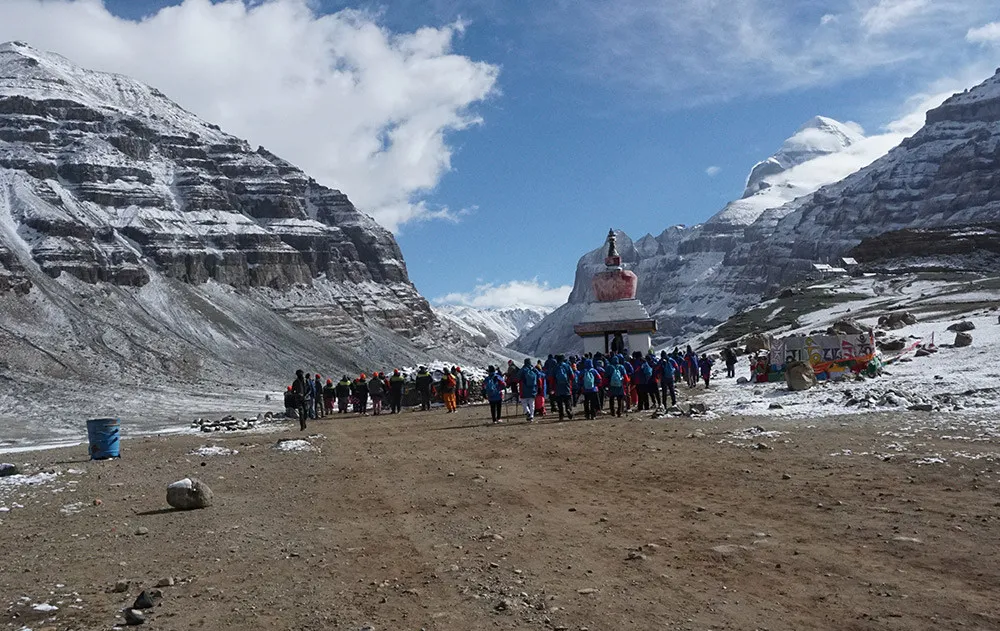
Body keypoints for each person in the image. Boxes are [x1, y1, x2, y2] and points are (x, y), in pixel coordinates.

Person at [553, 355, 575, 421]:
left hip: (558, 387)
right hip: (566, 386)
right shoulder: (567, 366)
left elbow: (551, 378)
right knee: (567, 400)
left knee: (559, 402)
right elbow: (572, 376)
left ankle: (561, 415)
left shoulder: (555, 367)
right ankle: (568, 409)